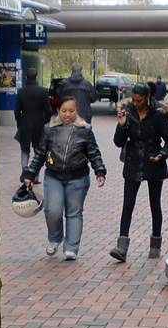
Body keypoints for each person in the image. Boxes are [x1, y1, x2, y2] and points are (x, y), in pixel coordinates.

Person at [21, 97, 106, 260]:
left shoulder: (85, 130)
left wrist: (100, 171)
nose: (67, 114)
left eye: (71, 111)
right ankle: (55, 238)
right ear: (58, 111)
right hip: (54, 176)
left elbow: (93, 152)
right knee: (52, 210)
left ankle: (71, 247)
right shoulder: (49, 129)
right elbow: (40, 153)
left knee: (74, 212)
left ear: (77, 111)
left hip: (78, 178)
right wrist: (30, 174)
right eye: (64, 111)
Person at [109, 83, 168, 263]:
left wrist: (162, 154)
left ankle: (155, 244)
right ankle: (122, 246)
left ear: (148, 98)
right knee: (128, 204)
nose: (135, 103)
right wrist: (122, 125)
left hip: (153, 161)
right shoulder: (127, 112)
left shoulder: (159, 114)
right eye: (133, 99)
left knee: (155, 204)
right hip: (133, 162)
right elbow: (118, 142)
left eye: (139, 100)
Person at [14, 67, 52, 169]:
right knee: (38, 151)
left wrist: (19, 123)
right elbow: (48, 110)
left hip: (25, 124)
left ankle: (24, 171)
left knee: (24, 150)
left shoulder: (21, 91)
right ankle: (35, 174)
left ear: (26, 77)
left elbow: (16, 111)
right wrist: (45, 122)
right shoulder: (43, 91)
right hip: (39, 124)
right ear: (37, 77)